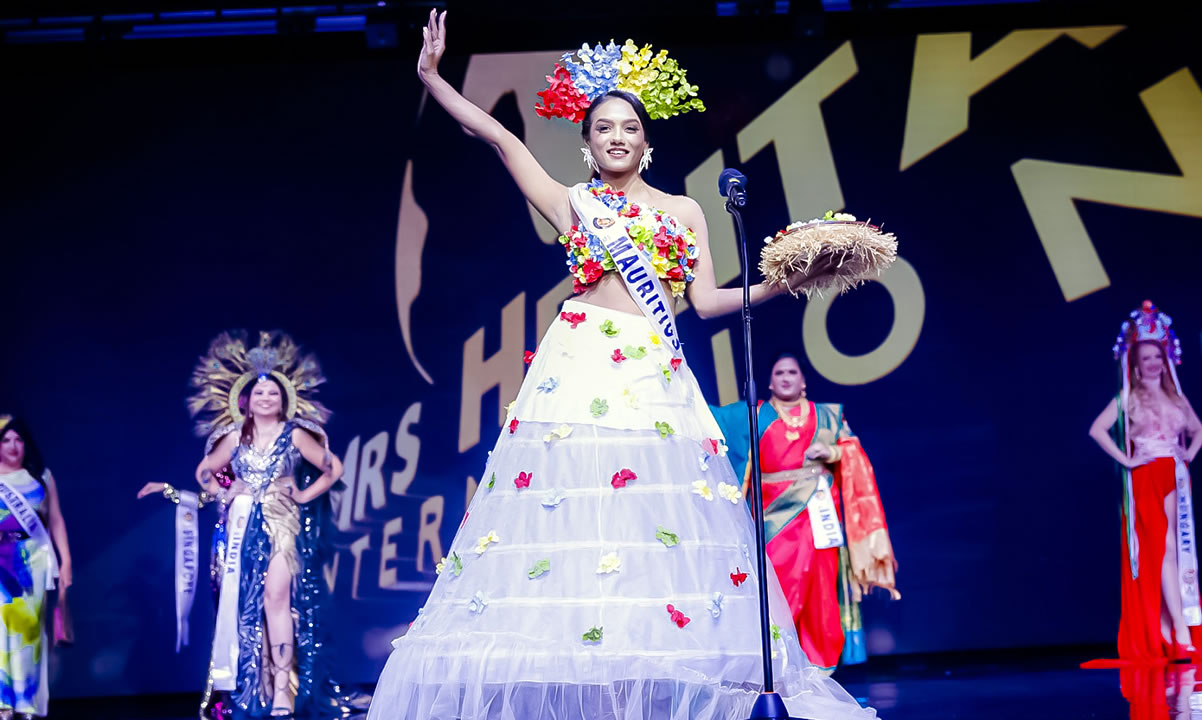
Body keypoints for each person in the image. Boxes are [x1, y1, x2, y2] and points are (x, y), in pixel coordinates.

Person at [367, 11, 873, 720]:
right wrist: (430, 77)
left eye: (628, 127)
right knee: (572, 517)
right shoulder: (571, 205)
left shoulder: (686, 211)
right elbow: (500, 137)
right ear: (586, 144)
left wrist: (791, 279)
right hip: (578, 365)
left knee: (649, 523)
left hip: (650, 372)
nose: (616, 137)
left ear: (647, 141)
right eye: (603, 127)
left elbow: (705, 302)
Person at [141, 331, 346, 717]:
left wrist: (303, 496)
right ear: (247, 401)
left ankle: (283, 688)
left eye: (273, 393)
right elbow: (205, 471)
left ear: (284, 399)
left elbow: (333, 467)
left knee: (277, 598)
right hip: (244, 529)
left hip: (283, 525)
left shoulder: (296, 434)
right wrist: (226, 491)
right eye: (259, 393)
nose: (267, 398)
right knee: (249, 608)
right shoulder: (235, 436)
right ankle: (260, 684)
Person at [709, 353, 899, 672]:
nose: (785, 377)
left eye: (792, 372)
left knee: (821, 590)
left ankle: (818, 667)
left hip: (818, 517)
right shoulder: (751, 416)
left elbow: (853, 449)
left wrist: (833, 451)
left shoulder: (828, 416)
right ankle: (778, 664)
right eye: (779, 372)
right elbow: (708, 418)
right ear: (769, 382)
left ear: (803, 381)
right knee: (778, 586)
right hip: (773, 520)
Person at [1082, 301, 1202, 667]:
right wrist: (1127, 460)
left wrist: (1188, 456)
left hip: (1175, 476)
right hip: (1145, 476)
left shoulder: (1176, 396)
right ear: (1136, 364)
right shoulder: (1127, 396)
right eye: (1147, 357)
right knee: (1160, 549)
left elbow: (1198, 431)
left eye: (1158, 355)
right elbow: (1097, 430)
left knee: (1176, 551)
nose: (1153, 362)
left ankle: (1173, 630)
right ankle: (1178, 634)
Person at [0, 415, 72, 720]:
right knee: (1, 633)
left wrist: (65, 560)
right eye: (6, 439)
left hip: (33, 562)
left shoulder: (41, 477)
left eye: (18, 439)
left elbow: (55, 520)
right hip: (2, 562)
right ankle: (4, 702)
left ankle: (27, 703)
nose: (14, 446)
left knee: (28, 633)